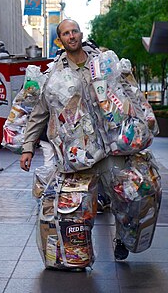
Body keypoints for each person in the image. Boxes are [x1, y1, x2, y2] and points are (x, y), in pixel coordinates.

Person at [20, 19, 135, 261]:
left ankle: (122, 237)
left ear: (81, 34)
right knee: (79, 206)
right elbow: (40, 113)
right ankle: (80, 253)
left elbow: (124, 94)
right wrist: (27, 147)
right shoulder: (54, 73)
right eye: (65, 33)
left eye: (74, 31)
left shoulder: (101, 62)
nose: (71, 36)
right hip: (77, 153)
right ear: (60, 40)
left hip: (109, 146)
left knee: (123, 196)